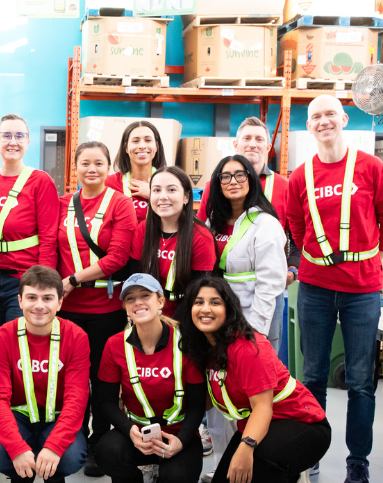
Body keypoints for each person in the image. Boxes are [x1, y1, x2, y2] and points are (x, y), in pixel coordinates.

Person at [179, 277, 331, 483]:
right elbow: (209, 400)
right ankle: (290, 477)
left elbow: (262, 407)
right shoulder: (205, 348)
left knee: (256, 457)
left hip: (303, 424)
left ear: (229, 309)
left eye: (215, 302)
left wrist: (245, 447)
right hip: (263, 427)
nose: (205, 309)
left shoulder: (248, 347)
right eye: (198, 302)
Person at [287, 94, 383, 483]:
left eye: (330, 114)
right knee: (312, 376)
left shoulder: (371, 167)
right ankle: (310, 453)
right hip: (315, 286)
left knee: (361, 381)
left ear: (344, 119)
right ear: (309, 126)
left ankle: (357, 463)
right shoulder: (300, 176)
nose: (324, 121)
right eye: (316, 116)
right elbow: (296, 226)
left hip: (363, 288)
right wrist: (318, 256)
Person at [201, 154, 287, 483]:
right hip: (216, 321)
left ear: (251, 179)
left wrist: (255, 334)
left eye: (240, 175)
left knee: (253, 394)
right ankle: (222, 463)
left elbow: (271, 283)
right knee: (218, 391)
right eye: (225, 176)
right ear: (217, 184)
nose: (233, 181)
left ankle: (257, 463)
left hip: (252, 320)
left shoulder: (265, 223)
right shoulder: (212, 222)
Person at [96, 273, 206, 483]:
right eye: (130, 298)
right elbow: (107, 402)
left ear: (160, 301)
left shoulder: (187, 342)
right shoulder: (114, 344)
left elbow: (197, 405)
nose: (138, 302)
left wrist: (182, 440)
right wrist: (130, 431)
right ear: (125, 308)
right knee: (106, 451)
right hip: (136, 433)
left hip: (178, 433)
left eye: (145, 295)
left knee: (177, 482)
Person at [58, 141, 137, 478]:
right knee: (70, 378)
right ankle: (70, 438)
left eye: (99, 163)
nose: (92, 169)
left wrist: (73, 279)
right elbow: (51, 248)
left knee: (102, 379)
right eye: (85, 163)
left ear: (109, 167)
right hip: (66, 309)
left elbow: (118, 257)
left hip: (105, 308)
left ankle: (97, 442)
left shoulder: (120, 203)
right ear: (75, 167)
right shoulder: (63, 204)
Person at [0, 265, 89, 483]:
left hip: (57, 417)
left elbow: (76, 399)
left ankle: (54, 480)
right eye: (31, 297)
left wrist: (54, 447)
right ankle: (21, 479)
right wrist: (17, 449)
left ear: (60, 302)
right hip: (18, 417)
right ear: (20, 300)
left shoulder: (76, 336)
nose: (39, 305)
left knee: (72, 456)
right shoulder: (2, 337)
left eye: (47, 298)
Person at [196, 116, 294, 353]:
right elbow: (200, 236)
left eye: (259, 139)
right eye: (247, 138)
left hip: (261, 298)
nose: (233, 182)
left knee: (258, 358)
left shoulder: (282, 191)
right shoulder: (214, 206)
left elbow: (297, 234)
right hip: (221, 300)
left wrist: (292, 269)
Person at [0, 114, 59, 340]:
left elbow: (49, 238)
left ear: (28, 142)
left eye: (19, 136)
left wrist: (41, 285)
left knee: (15, 345)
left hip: (22, 281)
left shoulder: (40, 181)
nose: (13, 142)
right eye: (6, 135)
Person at [130, 165, 217, 320]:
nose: (163, 197)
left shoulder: (201, 237)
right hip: (147, 314)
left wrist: (168, 325)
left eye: (171, 190)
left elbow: (197, 293)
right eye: (156, 190)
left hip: (185, 317)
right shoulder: (143, 229)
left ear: (186, 197)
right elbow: (135, 278)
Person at [105, 120, 167, 222]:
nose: (142, 146)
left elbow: (181, 218)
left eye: (148, 140)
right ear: (126, 147)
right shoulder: (109, 183)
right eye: (135, 141)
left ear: (156, 146)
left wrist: (153, 194)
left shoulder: (170, 182)